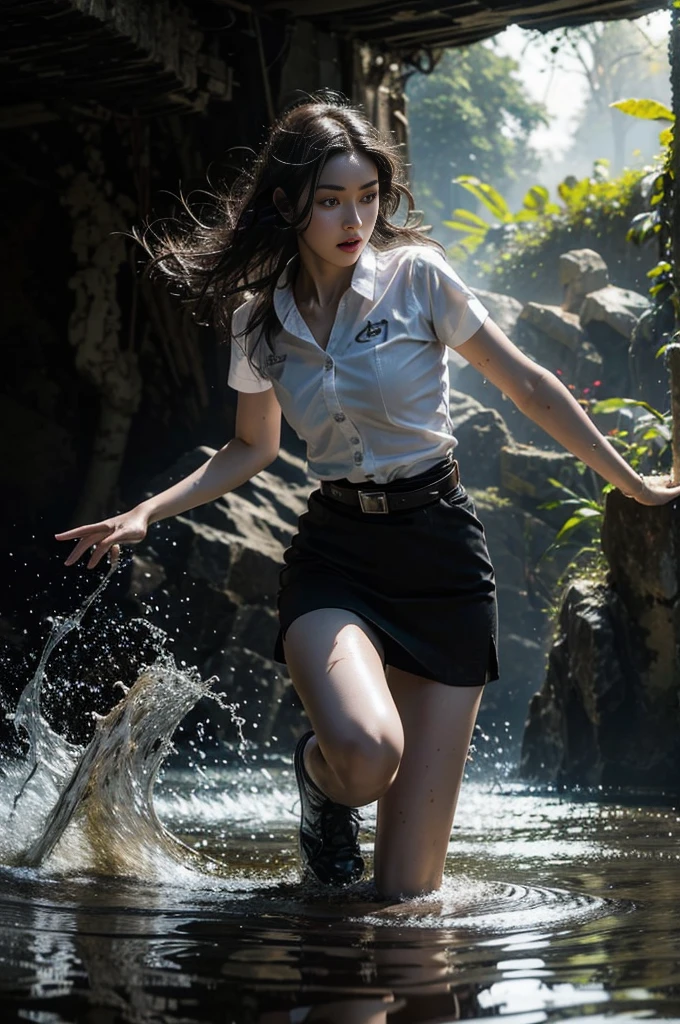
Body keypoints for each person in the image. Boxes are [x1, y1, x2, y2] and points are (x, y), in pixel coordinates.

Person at [56, 94, 680, 900]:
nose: (355, 218)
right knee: (365, 754)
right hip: (338, 558)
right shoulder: (260, 321)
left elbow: (527, 384)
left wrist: (633, 482)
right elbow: (254, 446)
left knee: (402, 901)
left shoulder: (417, 279)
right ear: (288, 205)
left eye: (367, 197)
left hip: (442, 557)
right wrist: (147, 509)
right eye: (330, 201)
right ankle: (322, 786)